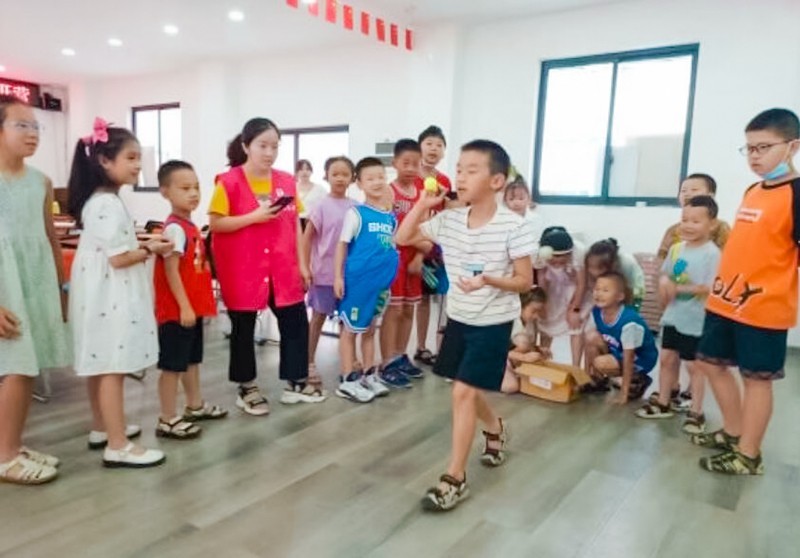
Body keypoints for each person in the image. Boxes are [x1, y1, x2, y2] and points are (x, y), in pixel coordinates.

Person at [396, 139, 535, 512]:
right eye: (458, 169)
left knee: (461, 392)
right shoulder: (449, 219)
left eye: (471, 170)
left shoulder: (514, 226)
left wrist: (490, 280)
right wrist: (423, 206)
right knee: (467, 391)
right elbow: (402, 238)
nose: (460, 175)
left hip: (493, 322)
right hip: (459, 318)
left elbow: (524, 281)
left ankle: (454, 478)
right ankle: (496, 428)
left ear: (496, 181)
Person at [692, 108, 800, 475]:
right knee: (709, 362)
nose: (754, 156)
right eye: (749, 148)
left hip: (764, 306)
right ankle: (734, 431)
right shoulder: (754, 189)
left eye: (763, 147)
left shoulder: (797, 194)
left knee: (756, 379)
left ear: (792, 147)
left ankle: (749, 454)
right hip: (725, 300)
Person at [68, 118, 174, 468]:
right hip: (109, 294)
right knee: (112, 365)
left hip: (98, 292)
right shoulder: (106, 204)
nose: (138, 164)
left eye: (138, 157)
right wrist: (151, 250)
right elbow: (119, 259)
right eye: (130, 157)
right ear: (104, 161)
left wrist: (142, 244)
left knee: (100, 363)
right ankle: (118, 444)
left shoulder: (100, 201)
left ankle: (102, 427)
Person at [208, 117, 322, 416]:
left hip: (283, 266)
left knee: (295, 321)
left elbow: (295, 226)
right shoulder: (229, 182)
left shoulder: (285, 181)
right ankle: (247, 386)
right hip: (243, 267)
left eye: (274, 146)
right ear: (246, 146)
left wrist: (303, 264)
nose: (269, 152)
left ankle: (296, 382)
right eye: (263, 145)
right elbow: (216, 224)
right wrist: (252, 218)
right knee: (243, 328)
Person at [0, 95, 71, 484]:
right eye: (21, 125)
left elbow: (50, 238)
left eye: (36, 127)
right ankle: (5, 456)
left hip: (35, 279)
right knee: (17, 365)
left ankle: (9, 443)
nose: (32, 134)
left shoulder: (40, 182)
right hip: (4, 285)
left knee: (29, 366)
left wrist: (60, 289)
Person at [153, 160, 227, 440]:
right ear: (165, 192)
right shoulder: (175, 229)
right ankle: (167, 417)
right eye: (185, 188)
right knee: (172, 365)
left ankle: (194, 405)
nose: (193, 193)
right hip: (177, 311)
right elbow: (171, 272)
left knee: (191, 360)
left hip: (192, 308)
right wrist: (184, 306)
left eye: (196, 187)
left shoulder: (190, 225)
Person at [635, 196, 720, 433]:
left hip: (696, 320)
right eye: (685, 219)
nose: (688, 225)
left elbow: (710, 287)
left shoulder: (711, 254)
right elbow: (666, 275)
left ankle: (697, 411)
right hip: (673, 316)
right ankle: (663, 402)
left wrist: (678, 289)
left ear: (711, 224)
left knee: (695, 367)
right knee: (667, 359)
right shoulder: (676, 249)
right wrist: (664, 283)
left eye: (696, 221)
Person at [334, 157, 399, 402]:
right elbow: (342, 246)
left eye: (381, 177)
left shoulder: (389, 218)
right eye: (370, 178)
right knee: (350, 331)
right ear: (359, 184)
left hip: (380, 285)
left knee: (370, 329)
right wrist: (338, 277)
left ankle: (369, 374)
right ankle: (348, 378)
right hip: (357, 283)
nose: (377, 182)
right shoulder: (355, 214)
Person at [303, 156, 356, 386]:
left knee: (348, 321)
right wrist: (305, 267)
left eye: (345, 174)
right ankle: (308, 361)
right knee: (318, 318)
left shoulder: (357, 207)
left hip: (349, 275)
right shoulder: (320, 206)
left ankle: (350, 360)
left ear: (352, 178)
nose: (340, 178)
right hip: (323, 274)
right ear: (326, 176)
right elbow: (306, 240)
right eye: (335, 173)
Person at [379, 139, 428, 386]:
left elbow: (426, 230)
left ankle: (400, 355)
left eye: (415, 163)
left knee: (409, 309)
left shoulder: (422, 194)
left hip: (414, 258)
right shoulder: (388, 191)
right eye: (405, 163)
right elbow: (385, 230)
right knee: (394, 310)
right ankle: (386, 360)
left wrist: (420, 256)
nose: (410, 168)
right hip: (393, 258)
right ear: (395, 163)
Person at [583, 272, 658, 402]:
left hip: (639, 360)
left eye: (605, 290)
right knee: (591, 337)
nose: (599, 293)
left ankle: (637, 380)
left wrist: (623, 393)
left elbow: (629, 357)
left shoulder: (629, 321)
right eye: (597, 289)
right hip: (618, 351)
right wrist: (584, 377)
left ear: (620, 296)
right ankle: (598, 381)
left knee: (601, 362)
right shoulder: (597, 311)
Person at [414, 125, 452, 368]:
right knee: (417, 300)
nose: (434, 149)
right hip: (413, 244)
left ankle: (435, 348)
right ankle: (419, 346)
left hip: (436, 247)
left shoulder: (445, 180)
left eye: (439, 145)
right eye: (429, 143)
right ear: (420, 146)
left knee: (435, 296)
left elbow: (448, 212)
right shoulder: (412, 176)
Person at [536, 227, 586, 366]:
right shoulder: (538, 254)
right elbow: (542, 278)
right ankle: (543, 361)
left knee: (575, 324)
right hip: (552, 286)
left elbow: (581, 283)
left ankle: (575, 367)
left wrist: (574, 309)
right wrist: (543, 302)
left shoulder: (579, 252)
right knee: (546, 321)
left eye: (561, 260)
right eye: (553, 261)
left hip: (573, 287)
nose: (557, 263)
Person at [656, 173, 730, 260]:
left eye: (694, 190)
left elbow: (728, 258)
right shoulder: (673, 230)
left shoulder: (721, 227)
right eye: (683, 191)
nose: (687, 194)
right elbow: (661, 258)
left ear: (711, 196)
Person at [501, 288, 550, 394]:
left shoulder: (530, 324)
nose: (536, 316)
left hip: (512, 360)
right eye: (533, 311)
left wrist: (539, 350)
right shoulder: (508, 321)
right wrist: (523, 357)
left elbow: (528, 346)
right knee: (511, 386)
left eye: (539, 312)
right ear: (522, 306)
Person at [295, 159, 327, 229]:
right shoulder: (292, 187)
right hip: (295, 223)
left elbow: (326, 205)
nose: (304, 172)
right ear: (297, 172)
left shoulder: (319, 189)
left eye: (307, 169)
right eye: (301, 169)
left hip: (313, 223)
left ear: (311, 171)